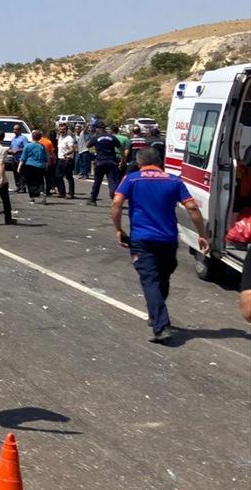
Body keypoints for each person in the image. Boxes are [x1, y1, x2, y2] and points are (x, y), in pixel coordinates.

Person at [112, 147, 211, 344]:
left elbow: (116, 203)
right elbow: (191, 207)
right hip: (167, 239)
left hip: (142, 238)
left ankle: (161, 327)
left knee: (151, 280)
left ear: (139, 162)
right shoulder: (174, 180)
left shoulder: (132, 179)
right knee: (162, 277)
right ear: (159, 162)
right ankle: (157, 316)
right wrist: (202, 234)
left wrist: (118, 229)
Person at [88, 125, 122, 205]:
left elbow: (88, 145)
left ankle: (93, 199)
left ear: (98, 129)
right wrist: (123, 159)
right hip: (111, 162)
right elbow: (121, 148)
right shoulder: (112, 137)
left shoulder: (96, 138)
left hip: (100, 162)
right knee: (112, 181)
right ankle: (114, 196)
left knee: (97, 182)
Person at [19, 130, 49, 204]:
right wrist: (46, 165)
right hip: (40, 166)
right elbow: (46, 158)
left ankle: (32, 198)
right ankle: (42, 192)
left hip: (29, 165)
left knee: (30, 182)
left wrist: (19, 167)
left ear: (32, 137)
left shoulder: (28, 146)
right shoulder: (42, 146)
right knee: (40, 181)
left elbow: (23, 157)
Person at [55, 122, 77, 199]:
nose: (61, 130)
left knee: (69, 177)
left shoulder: (69, 138)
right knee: (58, 176)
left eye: (63, 129)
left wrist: (67, 153)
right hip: (60, 160)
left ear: (66, 130)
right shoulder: (60, 137)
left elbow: (73, 148)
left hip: (67, 160)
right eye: (60, 129)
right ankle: (62, 192)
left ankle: (71, 193)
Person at [10, 124, 29, 193]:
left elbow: (26, 148)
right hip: (14, 158)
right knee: (15, 173)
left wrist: (18, 150)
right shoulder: (13, 138)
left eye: (16, 129)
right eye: (14, 129)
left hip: (21, 159)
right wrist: (10, 150)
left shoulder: (23, 138)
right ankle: (18, 186)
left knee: (21, 173)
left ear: (20, 130)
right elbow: (12, 147)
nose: (14, 131)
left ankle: (23, 187)